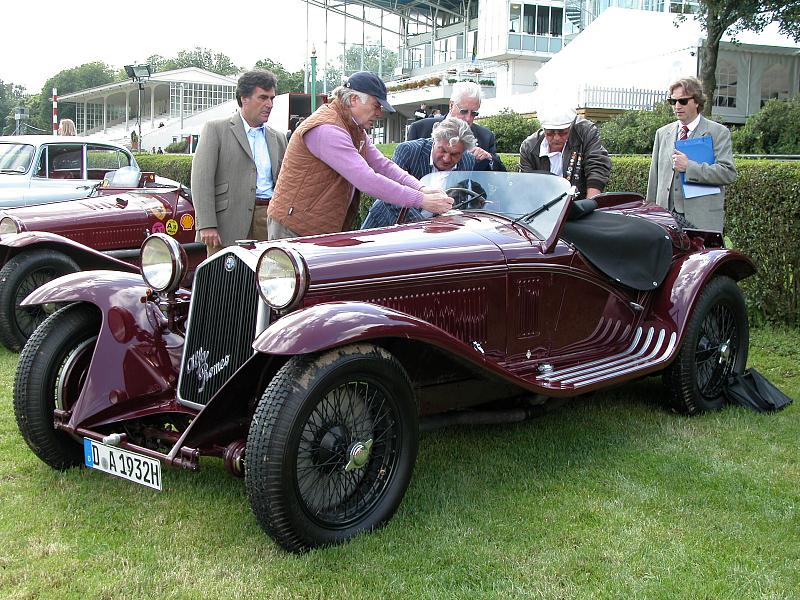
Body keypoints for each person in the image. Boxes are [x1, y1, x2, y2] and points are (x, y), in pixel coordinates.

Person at [267, 71, 452, 240]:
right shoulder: (328, 129)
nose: (379, 113)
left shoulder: (353, 127)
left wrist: (421, 188)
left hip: (313, 226)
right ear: (354, 99)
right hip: (294, 228)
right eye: (376, 105)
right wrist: (422, 200)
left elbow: (382, 164)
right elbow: (367, 180)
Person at [191, 70, 288, 255]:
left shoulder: (279, 138)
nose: (269, 104)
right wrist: (207, 224)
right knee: (225, 281)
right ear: (244, 98)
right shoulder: (216, 130)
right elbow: (201, 181)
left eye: (272, 99)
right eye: (263, 98)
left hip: (268, 221)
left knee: (263, 281)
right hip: (226, 225)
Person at [647, 76, 736, 233]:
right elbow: (654, 178)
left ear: (696, 101)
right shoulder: (662, 133)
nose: (677, 106)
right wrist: (650, 214)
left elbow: (728, 173)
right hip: (666, 219)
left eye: (682, 101)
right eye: (672, 101)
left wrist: (689, 167)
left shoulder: (718, 132)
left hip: (702, 219)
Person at [361, 116, 478, 229]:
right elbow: (391, 194)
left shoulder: (468, 161)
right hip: (387, 225)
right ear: (434, 142)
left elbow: (461, 201)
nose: (447, 158)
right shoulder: (408, 151)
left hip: (438, 232)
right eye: (442, 150)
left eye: (454, 154)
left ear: (463, 152)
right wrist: (422, 226)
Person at [406, 82, 505, 172]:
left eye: (474, 113)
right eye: (464, 111)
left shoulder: (485, 137)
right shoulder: (420, 129)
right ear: (451, 105)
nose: (468, 118)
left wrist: (489, 158)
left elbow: (501, 177)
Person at [519, 105, 611, 199]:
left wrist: (591, 202)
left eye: (562, 132)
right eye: (550, 133)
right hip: (543, 207)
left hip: (580, 204)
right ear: (543, 129)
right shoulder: (528, 147)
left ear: (570, 127)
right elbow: (527, 185)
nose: (557, 138)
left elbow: (597, 166)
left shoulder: (586, 132)